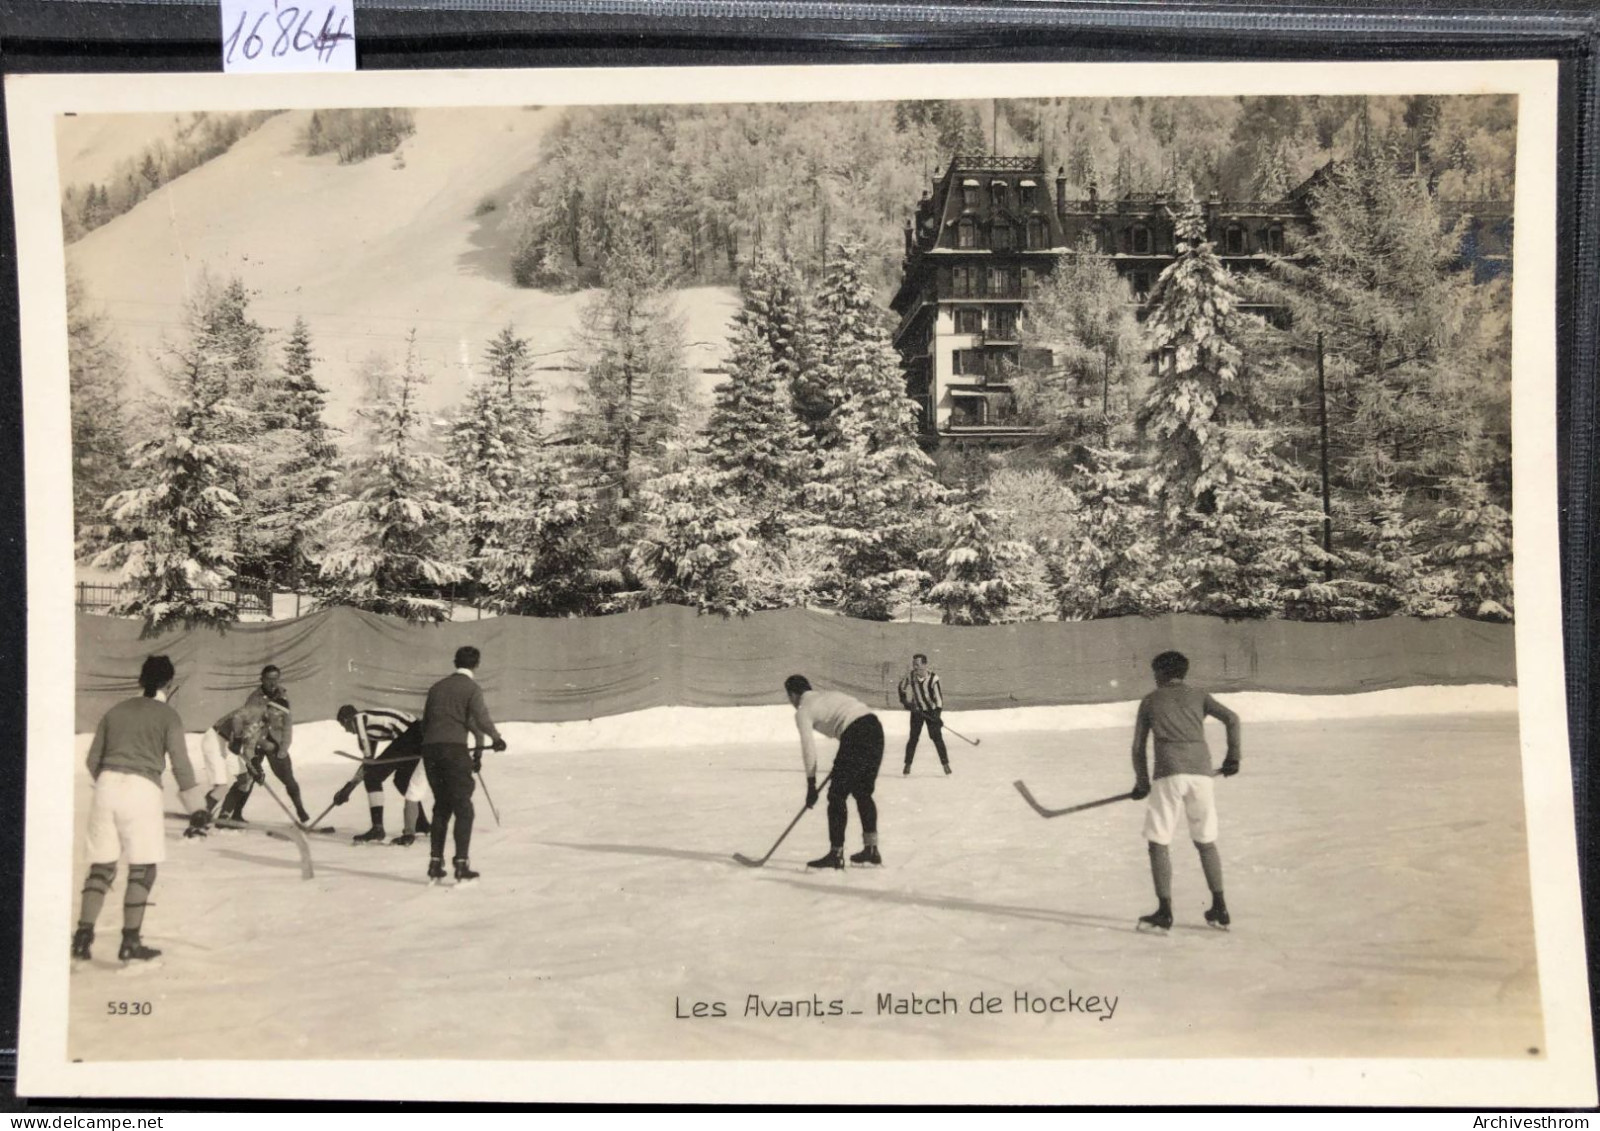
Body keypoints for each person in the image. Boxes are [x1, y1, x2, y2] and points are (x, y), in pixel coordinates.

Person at [72, 655, 210, 965]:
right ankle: (130, 942)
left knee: (102, 865)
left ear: (140, 679)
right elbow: (181, 766)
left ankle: (82, 937)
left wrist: (111, 783)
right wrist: (197, 808)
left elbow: (93, 760)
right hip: (143, 790)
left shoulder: (115, 711)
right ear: (168, 684)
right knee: (143, 867)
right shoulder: (168, 716)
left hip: (106, 787)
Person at [1129, 650, 1241, 932]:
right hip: (1201, 776)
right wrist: (1233, 758)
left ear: (1162, 673)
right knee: (1205, 841)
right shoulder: (1199, 696)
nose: (1154, 678)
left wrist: (1142, 782)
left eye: (1155, 672)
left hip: (1168, 775)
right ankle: (1220, 907)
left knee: (1158, 841)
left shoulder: (1150, 700)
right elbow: (1232, 719)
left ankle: (1164, 911)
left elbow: (1138, 747)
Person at [421, 646, 506, 885]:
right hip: (453, 750)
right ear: (476, 664)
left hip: (431, 751)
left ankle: (435, 864)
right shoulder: (471, 688)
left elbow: (425, 722)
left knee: (441, 806)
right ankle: (461, 864)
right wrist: (497, 739)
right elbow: (481, 718)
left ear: (454, 662)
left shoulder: (437, 687)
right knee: (463, 807)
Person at [785, 674, 884, 869]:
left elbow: (808, 748)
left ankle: (836, 854)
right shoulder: (827, 695)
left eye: (789, 697)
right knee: (863, 793)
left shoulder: (803, 710)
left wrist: (811, 784)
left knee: (836, 796)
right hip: (874, 728)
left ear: (793, 695)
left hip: (854, 734)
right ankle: (871, 849)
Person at [332, 704, 432, 846]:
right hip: (417, 735)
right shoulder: (370, 727)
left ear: (348, 719)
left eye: (344, 726)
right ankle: (421, 823)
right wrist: (349, 787)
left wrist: (349, 788)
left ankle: (377, 828)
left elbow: (369, 765)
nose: (347, 731)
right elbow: (369, 763)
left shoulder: (359, 718)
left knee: (373, 777)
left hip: (412, 734)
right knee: (401, 780)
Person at [241, 665, 312, 825]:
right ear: (262, 680)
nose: (272, 683)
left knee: (289, 779)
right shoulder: (254, 698)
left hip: (277, 743)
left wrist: (284, 746)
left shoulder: (283, 696)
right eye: (269, 679)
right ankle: (236, 813)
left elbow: (287, 723)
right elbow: (248, 727)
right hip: (257, 743)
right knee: (249, 777)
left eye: (275, 679)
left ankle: (300, 810)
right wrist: (262, 742)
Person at [201, 701, 270, 823]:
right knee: (221, 786)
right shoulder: (255, 709)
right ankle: (201, 816)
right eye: (278, 713)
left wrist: (256, 768)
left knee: (245, 781)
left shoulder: (263, 727)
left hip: (229, 746)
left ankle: (224, 816)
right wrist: (238, 737)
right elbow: (237, 718)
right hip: (216, 739)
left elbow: (249, 748)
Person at [896, 653, 950, 776]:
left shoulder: (933, 679)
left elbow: (939, 700)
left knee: (936, 737)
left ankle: (945, 764)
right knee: (913, 738)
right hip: (917, 712)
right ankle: (907, 765)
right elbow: (901, 687)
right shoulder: (911, 676)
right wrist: (905, 702)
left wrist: (937, 715)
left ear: (925, 665)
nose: (915, 667)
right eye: (914, 664)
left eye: (918, 665)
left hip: (931, 711)